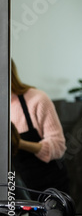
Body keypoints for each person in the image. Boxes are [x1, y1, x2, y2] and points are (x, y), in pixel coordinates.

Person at [10, 59, 69, 193]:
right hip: (19, 189)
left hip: (50, 186)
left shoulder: (37, 99)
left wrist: (20, 144)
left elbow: (58, 146)